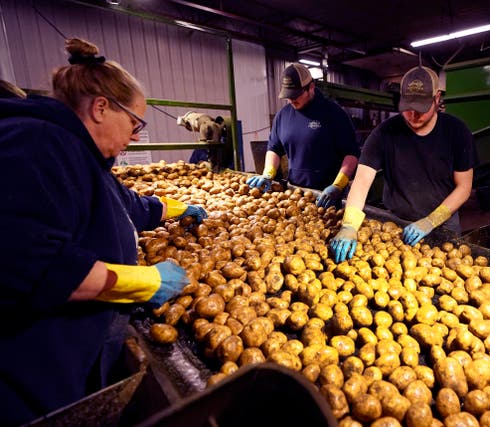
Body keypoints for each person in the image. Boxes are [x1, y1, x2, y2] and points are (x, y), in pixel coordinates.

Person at [0, 38, 207, 426]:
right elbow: (31, 262)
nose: (136, 136)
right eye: (134, 123)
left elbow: (124, 205)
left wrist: (179, 210)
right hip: (31, 385)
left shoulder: (79, 152)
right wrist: (142, 281)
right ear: (100, 108)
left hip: (65, 371)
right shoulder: (35, 144)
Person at [330, 65, 477, 263]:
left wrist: (430, 221)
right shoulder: (383, 134)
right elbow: (362, 181)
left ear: (437, 98)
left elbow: (464, 187)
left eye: (421, 108)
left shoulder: (457, 132)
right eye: (408, 107)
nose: (414, 115)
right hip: (396, 223)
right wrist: (349, 225)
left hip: (443, 224)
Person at [247, 63, 360, 208]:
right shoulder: (283, 116)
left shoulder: (334, 113)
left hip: (328, 197)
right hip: (295, 193)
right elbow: (274, 148)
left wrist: (338, 185)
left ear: (311, 87)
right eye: (288, 96)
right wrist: (268, 173)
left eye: (296, 95)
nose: (292, 100)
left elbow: (351, 154)